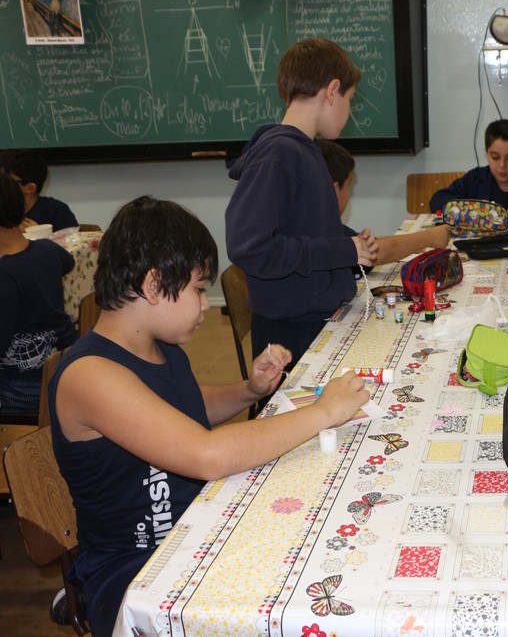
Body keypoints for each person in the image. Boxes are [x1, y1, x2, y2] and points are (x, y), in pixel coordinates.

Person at [49, 196, 370, 637]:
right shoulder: (90, 376)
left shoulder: (160, 348)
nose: (205, 304)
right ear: (153, 284)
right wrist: (323, 412)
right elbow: (207, 455)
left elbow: (182, 407)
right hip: (135, 573)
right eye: (198, 289)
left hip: (196, 530)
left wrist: (249, 390)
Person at [226, 38, 378, 367]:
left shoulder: (305, 149)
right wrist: (340, 250)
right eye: (350, 99)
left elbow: (302, 226)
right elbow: (250, 247)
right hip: (291, 333)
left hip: (315, 319)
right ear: (332, 91)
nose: (349, 111)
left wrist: (350, 245)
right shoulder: (278, 154)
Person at [0, 172, 76, 415]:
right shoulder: (46, 250)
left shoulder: (4, 274)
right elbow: (68, 262)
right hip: (65, 369)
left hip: (23, 389)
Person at [319, 139, 450, 264]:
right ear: (334, 190)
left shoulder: (324, 226)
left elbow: (377, 243)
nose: (349, 193)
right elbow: (379, 252)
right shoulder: (327, 232)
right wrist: (431, 237)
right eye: (349, 185)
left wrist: (411, 244)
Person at [0, 148, 78, 231]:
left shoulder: (56, 210)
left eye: (4, 180)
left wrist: (40, 233)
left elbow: (72, 238)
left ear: (30, 188)